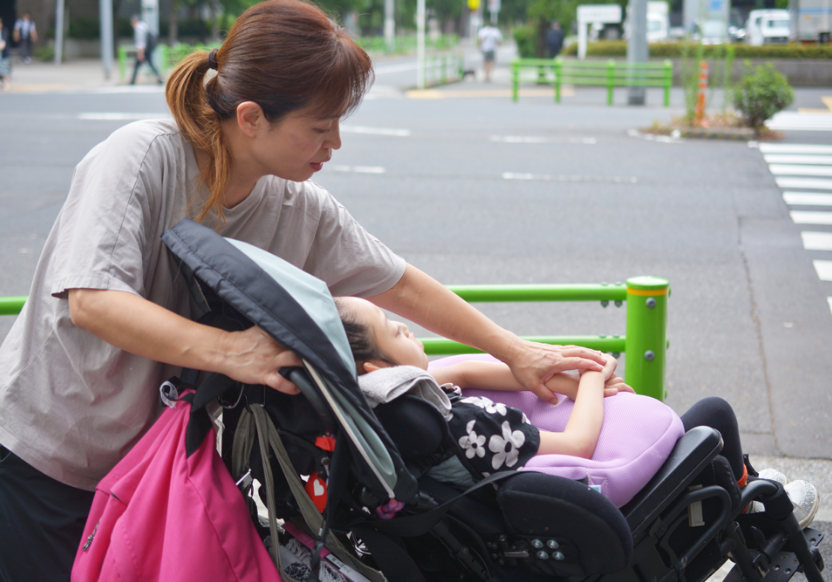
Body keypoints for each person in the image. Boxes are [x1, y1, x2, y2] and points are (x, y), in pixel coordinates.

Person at [0, 1, 608, 579]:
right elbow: (93, 300)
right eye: (320, 126)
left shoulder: (298, 206)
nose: (334, 143)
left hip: (154, 474)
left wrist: (518, 352)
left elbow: (403, 286)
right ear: (251, 118)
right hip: (48, 456)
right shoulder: (140, 159)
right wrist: (232, 352)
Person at [335, 296, 821, 523]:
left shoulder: (387, 414)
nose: (410, 332)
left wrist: (568, 377)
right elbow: (577, 445)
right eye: (396, 332)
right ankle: (757, 506)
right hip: (586, 497)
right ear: (378, 365)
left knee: (704, 439)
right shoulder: (470, 428)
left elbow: (461, 368)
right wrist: (593, 375)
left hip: (500, 507)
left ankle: (742, 490)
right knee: (713, 417)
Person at [129, 15, 164, 85]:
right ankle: (160, 79)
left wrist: (140, 53)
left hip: (144, 50)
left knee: (137, 65)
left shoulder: (138, 29)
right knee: (151, 65)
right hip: (147, 50)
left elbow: (141, 42)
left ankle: (132, 81)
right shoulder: (144, 26)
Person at [0, 18, 11, 90]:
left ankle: (6, 84)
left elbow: (3, 45)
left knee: (5, 70)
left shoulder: (4, 31)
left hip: (3, 55)